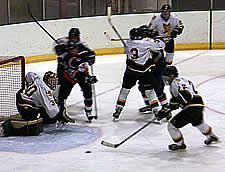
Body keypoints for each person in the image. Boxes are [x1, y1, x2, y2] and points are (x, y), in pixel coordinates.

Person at [155, 65, 219, 151]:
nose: (165, 80)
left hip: (190, 107)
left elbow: (185, 98)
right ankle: (211, 136)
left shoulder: (174, 84)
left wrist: (170, 108)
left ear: (172, 75)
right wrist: (170, 106)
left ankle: (180, 144)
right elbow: (181, 97)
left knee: (172, 126)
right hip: (199, 103)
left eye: (166, 77)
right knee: (198, 123)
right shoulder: (184, 80)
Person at [112, 27, 165, 121]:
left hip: (130, 71)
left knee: (125, 90)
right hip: (144, 72)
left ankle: (118, 110)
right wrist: (154, 37)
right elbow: (161, 45)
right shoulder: (146, 42)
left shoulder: (128, 43)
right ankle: (156, 111)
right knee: (149, 91)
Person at [54, 33, 97, 122]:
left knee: (88, 93)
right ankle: (60, 112)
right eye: (70, 49)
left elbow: (89, 53)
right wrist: (88, 78)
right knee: (62, 95)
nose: (72, 51)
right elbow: (78, 74)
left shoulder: (81, 49)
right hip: (70, 77)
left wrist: (92, 57)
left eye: (74, 49)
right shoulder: (69, 60)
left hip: (82, 72)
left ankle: (89, 112)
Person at [137, 25, 169, 114]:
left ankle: (165, 107)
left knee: (158, 88)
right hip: (148, 67)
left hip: (157, 67)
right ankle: (150, 104)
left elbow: (158, 52)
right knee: (142, 87)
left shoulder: (150, 42)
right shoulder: (148, 41)